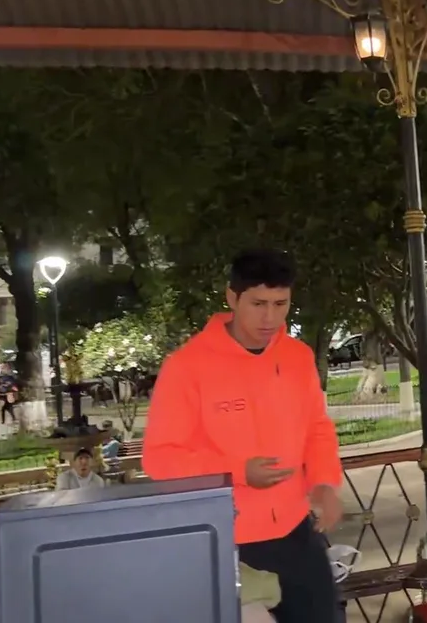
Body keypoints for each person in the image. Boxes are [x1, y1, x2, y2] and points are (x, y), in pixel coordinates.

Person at [143, 248, 344, 623]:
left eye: (280, 304)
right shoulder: (186, 367)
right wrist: (238, 471)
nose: (270, 317)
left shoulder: (298, 357)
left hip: (296, 530)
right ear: (232, 298)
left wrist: (323, 483)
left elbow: (317, 429)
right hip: (226, 541)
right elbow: (160, 458)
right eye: (258, 304)